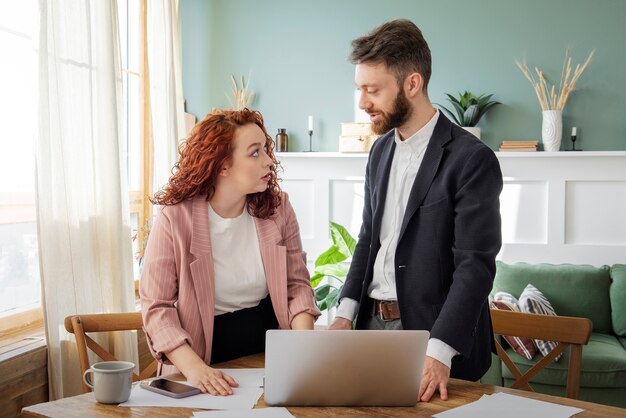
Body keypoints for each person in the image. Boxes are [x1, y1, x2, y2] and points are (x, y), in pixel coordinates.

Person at [329, 19, 503, 403]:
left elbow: (475, 266)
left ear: (412, 83)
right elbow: (367, 239)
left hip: (434, 339)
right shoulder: (379, 151)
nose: (362, 102)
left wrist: (439, 352)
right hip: (370, 327)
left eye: (372, 90)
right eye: (360, 89)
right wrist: (344, 313)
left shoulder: (472, 160)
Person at [140, 109, 320, 396]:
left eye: (266, 150)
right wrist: (195, 369)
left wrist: (302, 350)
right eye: (255, 153)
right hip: (200, 358)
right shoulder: (175, 218)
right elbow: (156, 307)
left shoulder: (278, 208)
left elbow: (296, 286)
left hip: (269, 353)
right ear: (222, 165)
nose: (270, 161)